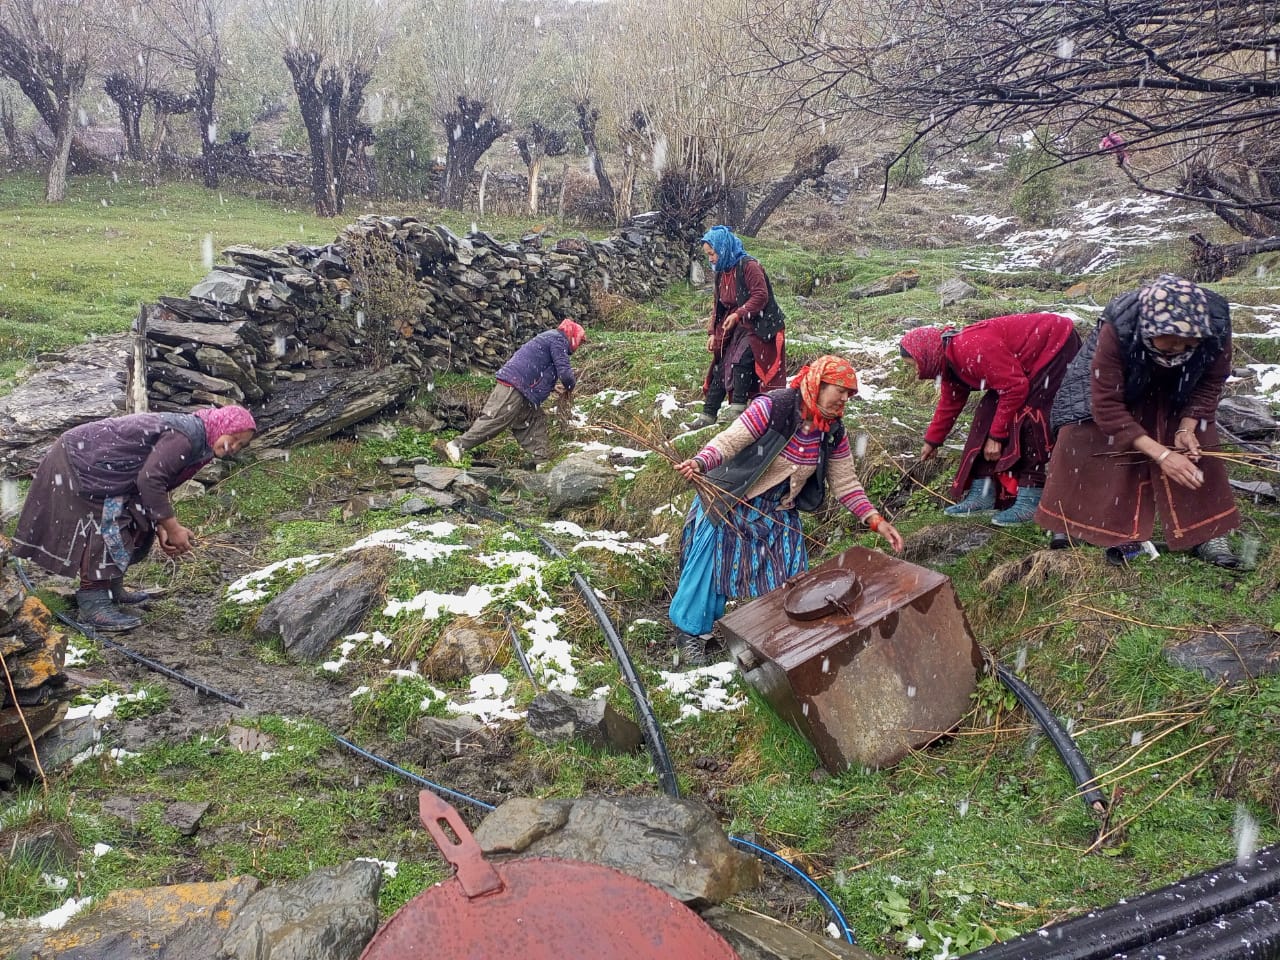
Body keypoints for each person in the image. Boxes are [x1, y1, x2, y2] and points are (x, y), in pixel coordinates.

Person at [668, 355, 904, 660]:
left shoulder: (832, 432)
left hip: (779, 511)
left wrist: (875, 520)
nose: (844, 399)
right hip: (734, 497)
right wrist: (700, 462)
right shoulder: (776, 406)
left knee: (791, 579)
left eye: (850, 394)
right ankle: (690, 633)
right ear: (818, 384)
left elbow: (846, 483)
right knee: (711, 567)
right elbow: (729, 441)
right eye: (840, 390)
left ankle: (775, 637)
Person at [1036, 274, 1240, 567]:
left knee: (1199, 445)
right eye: (1170, 347)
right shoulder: (1120, 326)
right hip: (1118, 380)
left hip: (1182, 386)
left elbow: (1211, 380)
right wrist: (1162, 455)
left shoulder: (1214, 325)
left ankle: (1207, 531)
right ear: (1148, 329)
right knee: (1080, 435)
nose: (1178, 353)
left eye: (1187, 346)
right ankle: (1071, 522)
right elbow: (1106, 405)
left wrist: (1187, 426)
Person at [12, 405, 257, 631]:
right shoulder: (186, 436)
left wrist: (161, 524)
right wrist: (172, 527)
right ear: (222, 426)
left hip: (106, 468)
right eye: (233, 437)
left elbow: (157, 482)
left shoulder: (202, 443)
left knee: (137, 519)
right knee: (108, 523)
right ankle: (93, 603)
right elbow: (150, 480)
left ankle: (111, 589)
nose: (233, 447)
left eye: (240, 445)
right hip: (82, 461)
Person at [900, 313, 1081, 526]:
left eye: (914, 365)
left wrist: (997, 436)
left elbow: (1015, 387)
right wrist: (932, 441)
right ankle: (983, 493)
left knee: (1030, 416)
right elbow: (950, 403)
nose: (916, 373)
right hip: (1018, 368)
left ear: (926, 355)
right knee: (985, 414)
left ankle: (1031, 497)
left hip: (1055, 344)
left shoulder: (970, 348)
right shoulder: (947, 360)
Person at [445, 318, 585, 468]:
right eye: (581, 341)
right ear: (574, 335)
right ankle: (457, 445)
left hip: (522, 388)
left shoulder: (551, 337)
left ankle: (541, 461)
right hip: (514, 385)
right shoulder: (559, 339)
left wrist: (552, 387)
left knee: (533, 421)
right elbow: (564, 372)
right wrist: (570, 387)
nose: (580, 345)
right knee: (496, 419)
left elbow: (539, 367)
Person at [684, 226, 786, 432]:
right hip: (739, 326)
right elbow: (719, 305)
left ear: (724, 248)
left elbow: (761, 296)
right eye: (708, 255)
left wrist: (739, 313)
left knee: (740, 361)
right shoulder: (722, 271)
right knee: (721, 365)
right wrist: (713, 333)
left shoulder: (749, 266)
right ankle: (708, 413)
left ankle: (737, 409)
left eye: (712, 254)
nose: (711, 259)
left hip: (760, 325)